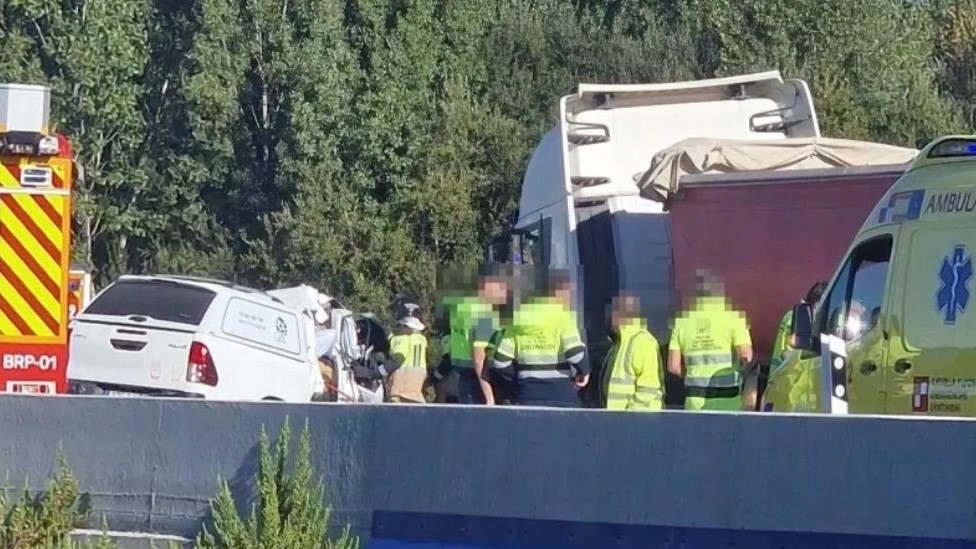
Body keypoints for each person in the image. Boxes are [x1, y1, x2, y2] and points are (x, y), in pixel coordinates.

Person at [491, 273, 589, 407]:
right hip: (561, 394)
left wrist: (518, 378)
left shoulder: (517, 320)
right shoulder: (563, 317)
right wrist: (584, 372)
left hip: (527, 394)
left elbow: (500, 362)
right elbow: (575, 354)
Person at [667, 270, 754, 411]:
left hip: (694, 403)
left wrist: (694, 377)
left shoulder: (681, 323)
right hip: (727, 404)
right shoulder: (734, 319)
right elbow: (746, 356)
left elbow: (673, 367)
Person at [436, 271, 508, 404]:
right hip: (482, 376)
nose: (505, 294)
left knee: (469, 416)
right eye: (501, 289)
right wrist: (489, 396)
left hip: (463, 369)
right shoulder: (487, 314)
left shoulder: (464, 307)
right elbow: (478, 355)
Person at [601, 293, 664, 411]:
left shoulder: (642, 341)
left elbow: (648, 387)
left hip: (638, 422)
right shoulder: (619, 343)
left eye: (612, 311)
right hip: (619, 420)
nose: (608, 317)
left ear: (619, 314)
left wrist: (631, 419)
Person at [770, 281, 827, 374]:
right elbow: (789, 354)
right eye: (822, 306)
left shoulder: (802, 317)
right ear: (813, 304)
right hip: (785, 378)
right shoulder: (795, 319)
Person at [384, 316, 429, 403]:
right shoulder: (421, 341)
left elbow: (397, 359)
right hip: (416, 390)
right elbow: (392, 339)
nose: (400, 328)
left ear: (408, 328)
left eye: (402, 326)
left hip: (400, 389)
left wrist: (377, 372)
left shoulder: (403, 339)